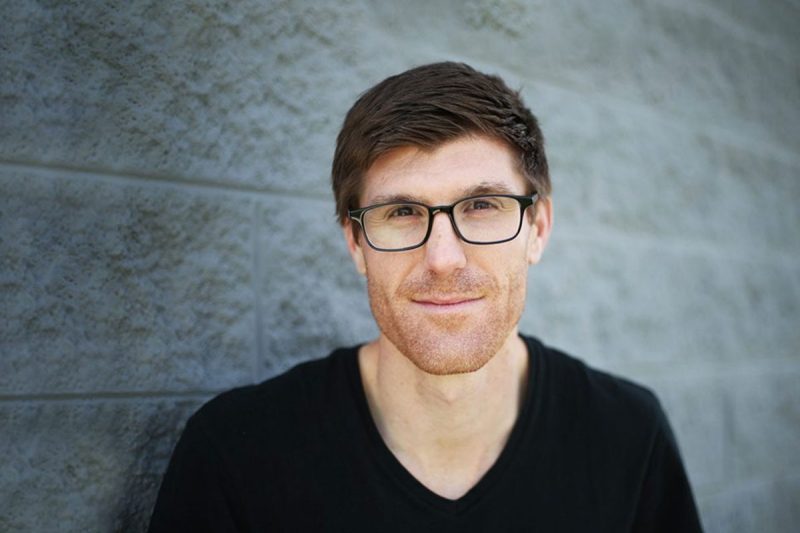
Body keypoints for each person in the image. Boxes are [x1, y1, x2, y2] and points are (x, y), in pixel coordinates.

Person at [148, 62, 703, 532]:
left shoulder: (628, 437)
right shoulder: (236, 455)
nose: (444, 258)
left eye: (482, 206)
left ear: (538, 229)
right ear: (356, 242)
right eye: (402, 212)